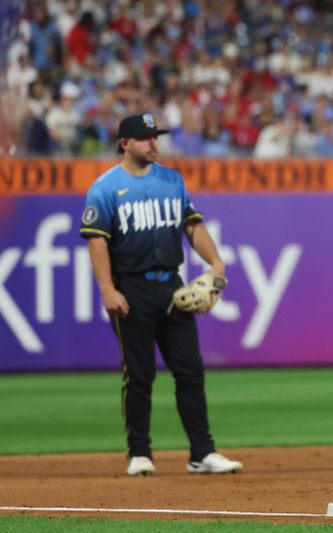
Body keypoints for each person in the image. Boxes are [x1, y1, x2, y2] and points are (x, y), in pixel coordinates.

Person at [79, 113, 243, 476]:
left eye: (155, 136)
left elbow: (191, 225)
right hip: (130, 287)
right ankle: (139, 452)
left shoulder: (172, 179)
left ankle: (202, 451)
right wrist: (108, 289)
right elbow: (96, 241)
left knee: (190, 371)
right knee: (139, 374)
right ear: (125, 143)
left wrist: (216, 261)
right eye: (145, 137)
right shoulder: (106, 188)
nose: (153, 143)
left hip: (171, 285)